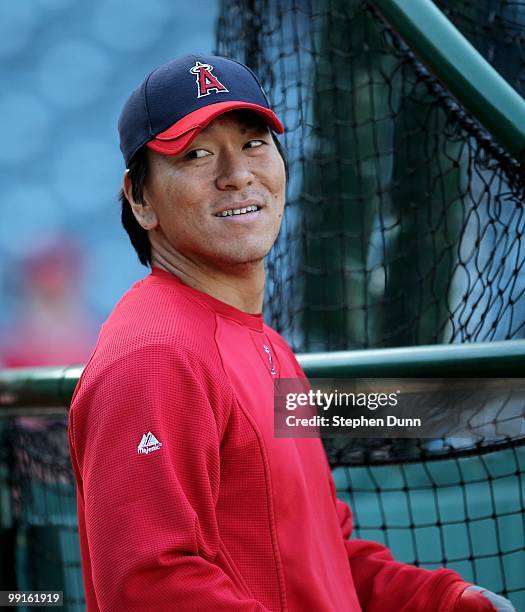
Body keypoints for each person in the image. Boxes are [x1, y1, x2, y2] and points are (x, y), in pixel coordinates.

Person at [68, 54, 514, 611]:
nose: (237, 174)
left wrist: (447, 601)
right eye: (196, 154)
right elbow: (150, 589)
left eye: (254, 143)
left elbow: (326, 555)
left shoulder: (271, 346)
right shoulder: (154, 355)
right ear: (140, 198)